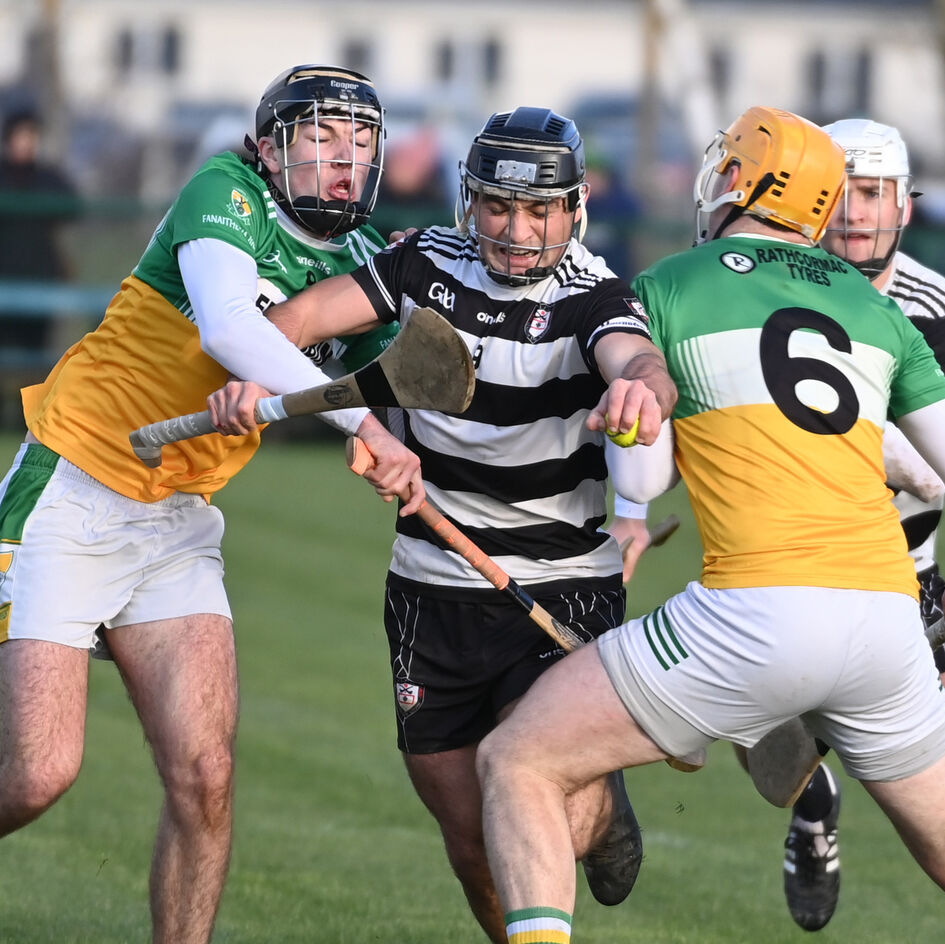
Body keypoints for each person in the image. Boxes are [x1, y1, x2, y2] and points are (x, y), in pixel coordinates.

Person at [473, 106, 945, 944]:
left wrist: (628, 439)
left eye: (729, 165)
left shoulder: (667, 285)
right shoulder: (878, 310)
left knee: (519, 760)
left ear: (749, 182)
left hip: (753, 615)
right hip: (887, 624)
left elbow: (646, 474)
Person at [0, 65, 421, 944]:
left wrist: (393, 437)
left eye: (361, 144)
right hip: (72, 489)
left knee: (205, 775)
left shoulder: (364, 268)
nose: (344, 161)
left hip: (176, 520)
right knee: (38, 773)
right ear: (271, 146)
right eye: (322, 140)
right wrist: (359, 419)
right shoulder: (225, 191)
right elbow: (228, 328)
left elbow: (405, 382)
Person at [216, 106, 677, 944]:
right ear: (471, 202)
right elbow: (296, 325)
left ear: (574, 211)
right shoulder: (424, 263)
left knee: (526, 796)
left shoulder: (595, 297)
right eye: (499, 207)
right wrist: (252, 377)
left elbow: (634, 359)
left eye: (540, 211)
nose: (517, 229)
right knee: (469, 836)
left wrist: (642, 389)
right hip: (430, 586)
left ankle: (601, 810)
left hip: (560, 583)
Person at [773, 117, 945, 943]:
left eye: (874, 193)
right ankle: (813, 808)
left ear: (904, 206)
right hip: (786, 562)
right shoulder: (771, 284)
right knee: (756, 736)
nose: (855, 213)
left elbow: (936, 458)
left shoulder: (936, 306)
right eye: (841, 193)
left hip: (905, 571)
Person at [0, 105, 81, 428]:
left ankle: (26, 415)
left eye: (30, 136)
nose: (24, 143)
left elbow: (73, 206)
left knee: (35, 349)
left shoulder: (47, 178)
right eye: (19, 136)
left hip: (39, 277)